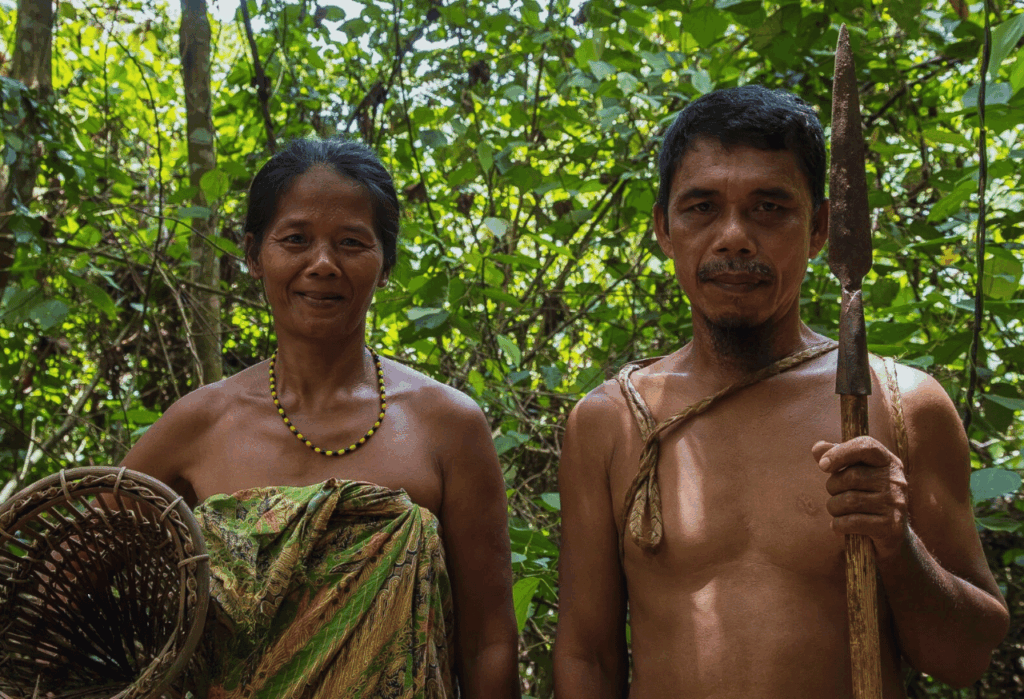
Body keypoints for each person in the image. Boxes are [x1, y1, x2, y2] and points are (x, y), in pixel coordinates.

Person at [552, 86, 1009, 698]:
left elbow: (966, 657)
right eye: (701, 208)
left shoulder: (898, 404)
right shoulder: (615, 421)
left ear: (819, 228)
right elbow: (587, 657)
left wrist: (896, 543)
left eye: (768, 208)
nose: (734, 237)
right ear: (663, 228)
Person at [120, 138, 520, 698]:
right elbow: (78, 576)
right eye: (296, 240)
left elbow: (487, 642)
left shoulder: (447, 425)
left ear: (385, 265)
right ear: (254, 255)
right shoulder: (200, 423)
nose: (323, 264)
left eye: (352, 242)